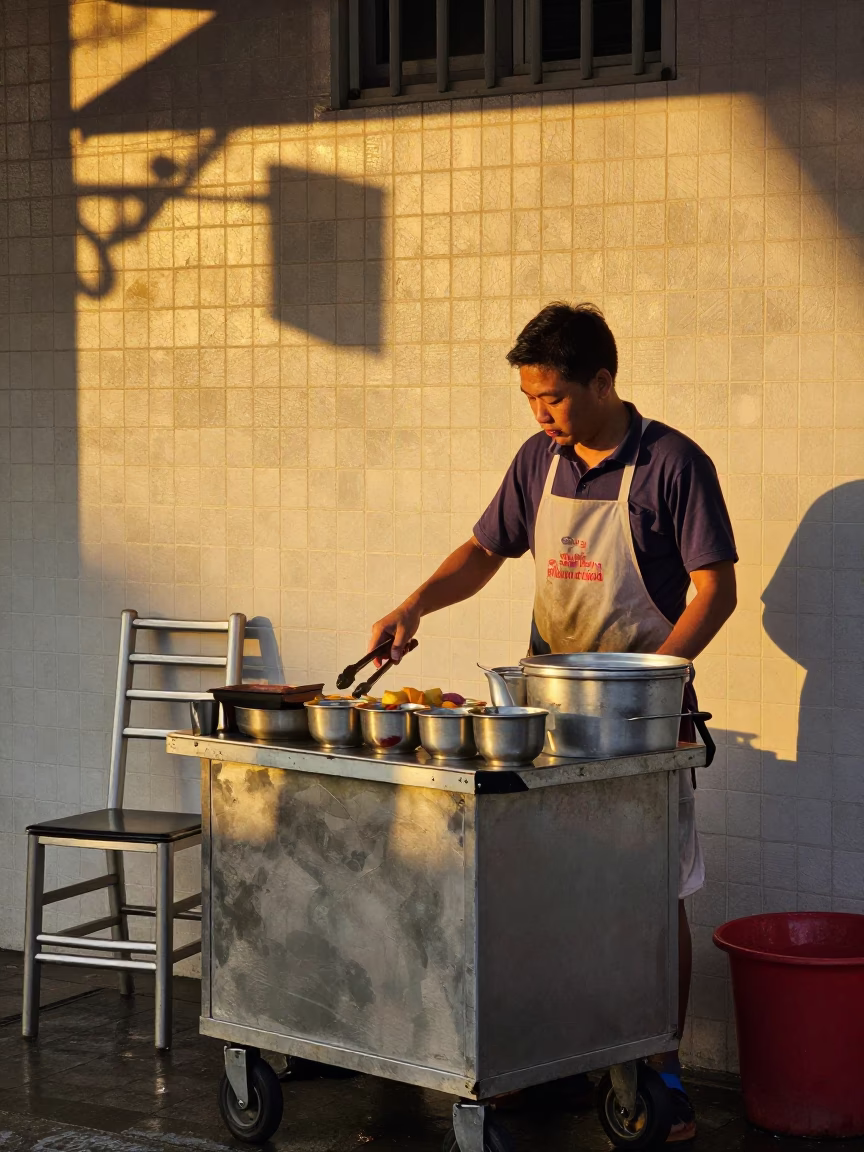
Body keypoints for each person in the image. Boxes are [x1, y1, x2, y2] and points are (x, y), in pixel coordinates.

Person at [369, 302, 738, 1142]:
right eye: (532, 398)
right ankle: (554, 1060)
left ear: (604, 380)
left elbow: (717, 590)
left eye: (555, 398)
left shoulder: (673, 464)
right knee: (546, 888)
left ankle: (659, 1070)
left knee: (652, 894)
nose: (542, 414)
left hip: (645, 725)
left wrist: (646, 680)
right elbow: (484, 550)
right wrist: (415, 603)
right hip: (546, 721)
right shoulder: (539, 461)